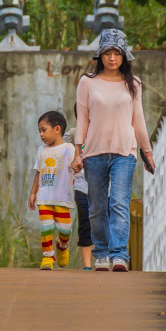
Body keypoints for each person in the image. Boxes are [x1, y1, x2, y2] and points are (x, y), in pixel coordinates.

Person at [72, 29, 154, 272]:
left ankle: (119, 255)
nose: (111, 58)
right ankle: (101, 253)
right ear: (100, 56)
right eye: (107, 53)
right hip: (94, 153)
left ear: (124, 56)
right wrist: (78, 152)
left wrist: (146, 152)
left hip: (124, 153)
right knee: (97, 207)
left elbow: (138, 120)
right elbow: (83, 120)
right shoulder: (87, 82)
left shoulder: (134, 83)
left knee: (119, 202)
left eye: (116, 53)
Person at [28, 111, 76, 270]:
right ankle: (48, 257)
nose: (41, 134)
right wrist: (33, 193)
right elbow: (38, 172)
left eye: (44, 130)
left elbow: (77, 163)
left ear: (57, 129)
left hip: (62, 198)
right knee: (46, 228)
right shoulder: (41, 150)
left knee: (65, 229)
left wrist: (78, 165)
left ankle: (62, 246)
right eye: (39, 131)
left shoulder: (68, 148)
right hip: (44, 198)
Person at [64, 105, 93, 270]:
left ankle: (107, 261)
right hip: (81, 186)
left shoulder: (105, 133)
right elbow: (59, 146)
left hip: (106, 187)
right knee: (85, 223)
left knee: (105, 224)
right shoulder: (74, 133)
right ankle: (87, 266)